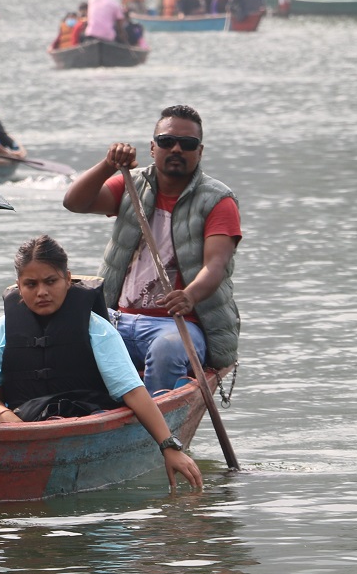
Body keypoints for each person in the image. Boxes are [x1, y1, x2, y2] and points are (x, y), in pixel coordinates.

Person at [0, 236, 203, 491]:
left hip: (84, 416)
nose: (41, 292)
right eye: (31, 284)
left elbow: (133, 392)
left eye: (51, 281)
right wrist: (4, 415)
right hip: (22, 424)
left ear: (67, 279)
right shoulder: (2, 330)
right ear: (19, 286)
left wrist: (168, 446)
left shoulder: (96, 329)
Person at [61, 104, 242, 393]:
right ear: (153, 147)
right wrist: (108, 164)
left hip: (178, 325)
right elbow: (74, 202)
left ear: (200, 151)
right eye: (167, 142)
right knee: (66, 344)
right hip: (118, 318)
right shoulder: (131, 185)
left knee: (167, 350)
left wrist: (189, 295)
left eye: (187, 144)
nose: (176, 150)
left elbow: (216, 264)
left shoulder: (217, 200)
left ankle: (156, 428)